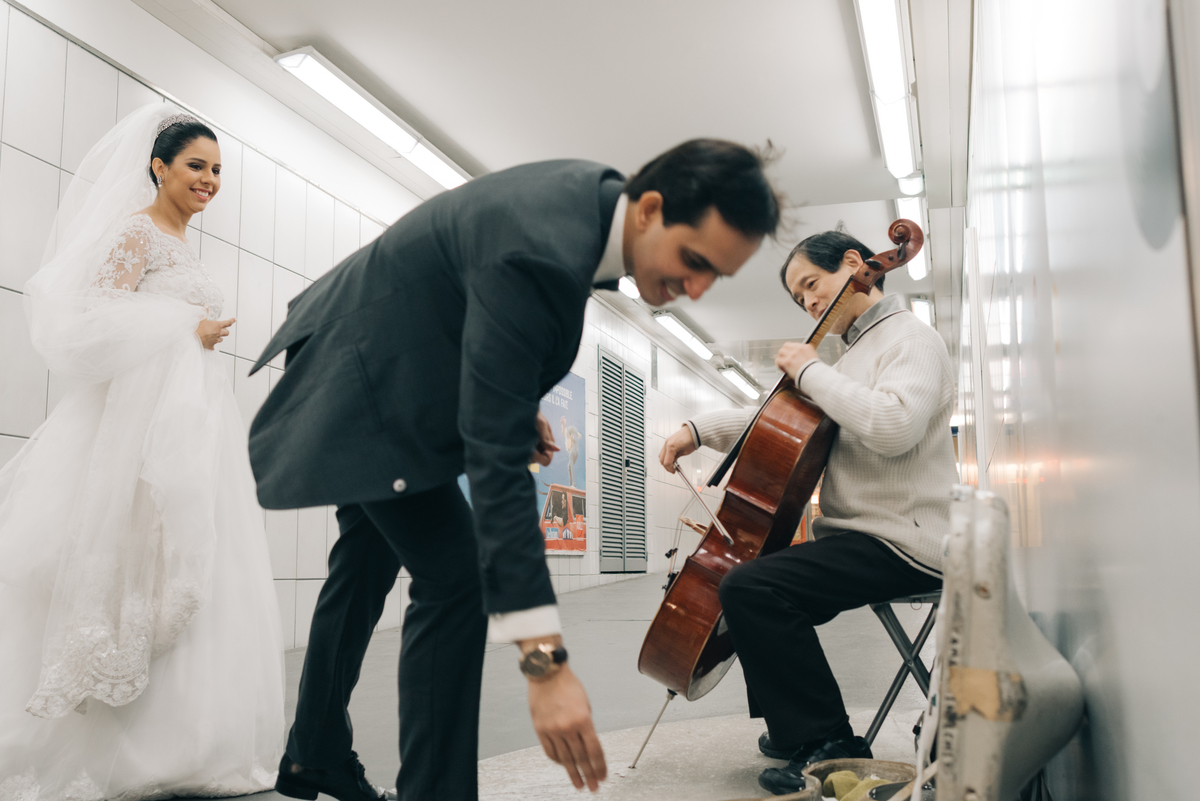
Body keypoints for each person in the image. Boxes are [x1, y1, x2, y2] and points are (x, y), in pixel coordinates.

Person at [247, 141, 780, 801]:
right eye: (694, 261)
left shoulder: (589, 203)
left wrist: (513, 397)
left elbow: (476, 311)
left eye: (714, 278)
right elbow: (495, 469)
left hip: (382, 364)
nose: (694, 289)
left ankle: (314, 752)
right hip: (367, 383)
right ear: (649, 209)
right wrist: (545, 666)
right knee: (459, 576)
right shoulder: (543, 249)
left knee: (364, 561)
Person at [0, 104, 285, 799]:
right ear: (158, 167)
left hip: (191, 429)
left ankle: (186, 741)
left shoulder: (185, 247)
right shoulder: (137, 234)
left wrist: (190, 336)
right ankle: (121, 748)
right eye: (196, 165)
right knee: (130, 567)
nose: (209, 179)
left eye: (218, 170)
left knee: (189, 567)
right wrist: (184, 330)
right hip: (135, 437)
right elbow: (87, 325)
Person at [658, 227, 956, 796]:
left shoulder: (911, 339)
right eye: (800, 298)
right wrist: (697, 430)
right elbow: (780, 418)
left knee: (755, 589)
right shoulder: (853, 355)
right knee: (743, 581)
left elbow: (893, 426)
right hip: (860, 537)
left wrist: (812, 370)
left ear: (854, 263)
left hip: (907, 540)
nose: (810, 302)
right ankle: (793, 728)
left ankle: (831, 743)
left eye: (812, 285)